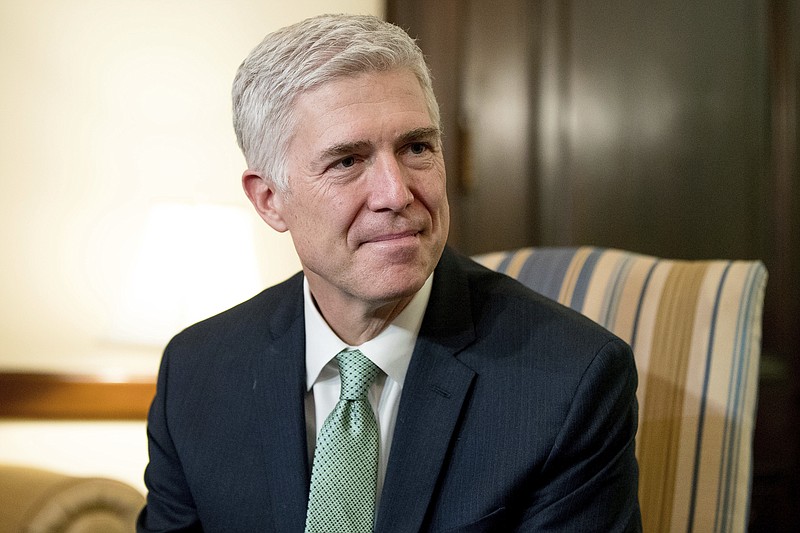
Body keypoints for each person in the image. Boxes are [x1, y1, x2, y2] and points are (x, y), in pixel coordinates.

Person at [137, 13, 641, 533]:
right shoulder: (196, 373)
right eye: (348, 161)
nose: (396, 194)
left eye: (416, 148)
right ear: (269, 200)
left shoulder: (570, 381)